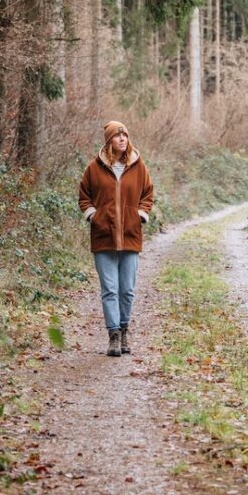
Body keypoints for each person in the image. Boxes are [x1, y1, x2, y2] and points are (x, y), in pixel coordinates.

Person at [78, 120, 154, 357]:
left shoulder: (138, 166)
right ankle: (113, 336)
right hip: (103, 237)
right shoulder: (94, 168)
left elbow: (148, 193)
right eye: (117, 136)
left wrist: (140, 214)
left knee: (127, 290)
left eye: (125, 136)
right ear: (109, 141)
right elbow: (84, 197)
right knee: (110, 289)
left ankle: (124, 330)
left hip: (130, 236)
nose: (122, 139)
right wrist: (94, 216)